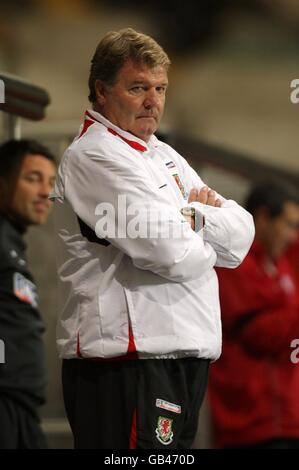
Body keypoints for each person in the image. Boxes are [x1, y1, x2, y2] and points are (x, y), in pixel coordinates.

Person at [51, 27, 254, 449]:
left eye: (160, 88)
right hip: (128, 363)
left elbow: (240, 238)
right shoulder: (95, 155)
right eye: (138, 87)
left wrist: (190, 217)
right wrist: (204, 224)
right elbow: (171, 252)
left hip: (180, 356)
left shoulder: (162, 153)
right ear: (101, 91)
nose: (153, 101)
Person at [209, 180, 299, 449]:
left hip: (287, 419)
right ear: (262, 217)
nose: (292, 236)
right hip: (248, 422)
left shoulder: (282, 263)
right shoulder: (234, 263)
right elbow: (260, 334)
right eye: (288, 224)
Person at [0, 139, 56, 449]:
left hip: (20, 406)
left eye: (50, 182)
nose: (45, 192)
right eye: (32, 179)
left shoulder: (12, 242)